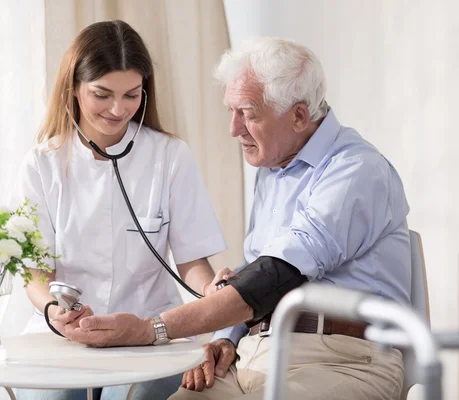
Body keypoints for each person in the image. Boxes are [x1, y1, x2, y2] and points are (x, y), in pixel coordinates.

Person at [56, 37, 411, 400]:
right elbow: (257, 271)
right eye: (231, 111)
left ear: (299, 116)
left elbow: (274, 276)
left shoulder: (356, 171)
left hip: (341, 361)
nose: (234, 129)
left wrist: (151, 329)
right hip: (256, 354)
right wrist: (225, 337)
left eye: (248, 113)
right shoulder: (274, 170)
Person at [13, 20, 227, 400]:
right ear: (74, 88)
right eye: (102, 94)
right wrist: (52, 311)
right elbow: (35, 272)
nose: (118, 109)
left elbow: (193, 263)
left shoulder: (169, 156)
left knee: (130, 396)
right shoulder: (42, 163)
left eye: (132, 95)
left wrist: (213, 290)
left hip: (148, 332)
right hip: (63, 337)